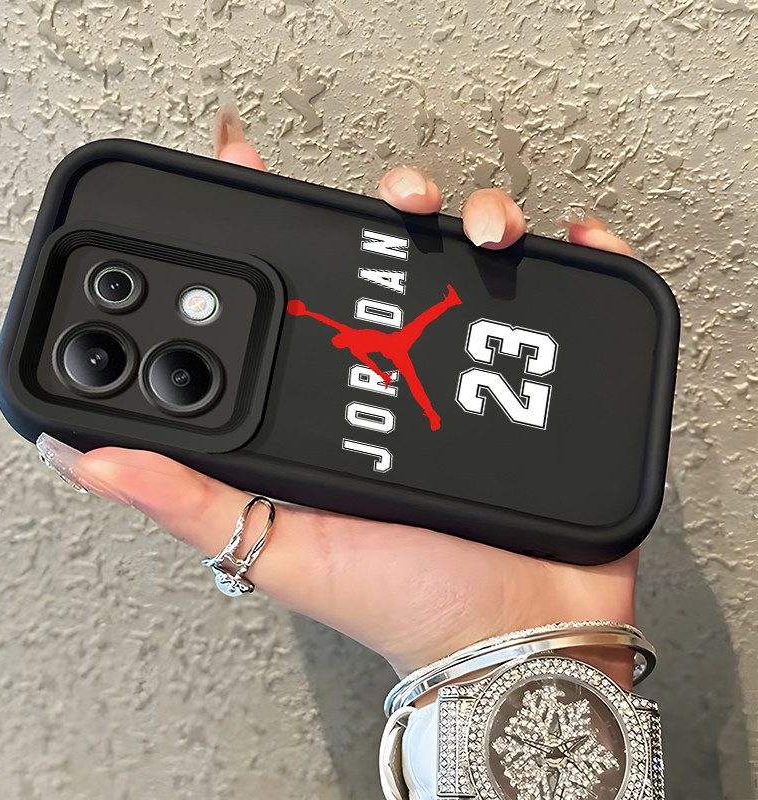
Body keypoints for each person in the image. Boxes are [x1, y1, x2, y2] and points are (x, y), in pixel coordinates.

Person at [40, 106, 641, 694]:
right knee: (411, 353)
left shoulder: (107, 185)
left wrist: (542, 645)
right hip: (407, 362)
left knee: (414, 340)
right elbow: (375, 335)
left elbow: (394, 332)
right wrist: (523, 655)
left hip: (409, 352)